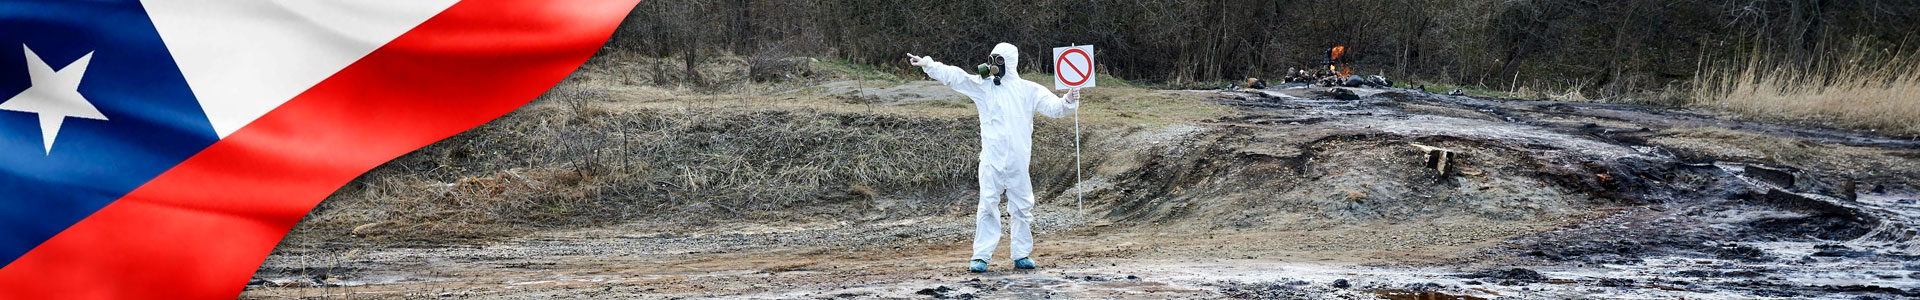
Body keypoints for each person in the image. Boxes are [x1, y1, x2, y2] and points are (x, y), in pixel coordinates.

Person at [907, 43, 1079, 273]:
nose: (991, 64)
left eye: (997, 60)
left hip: (1018, 160)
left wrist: (1068, 99)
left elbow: (1054, 108)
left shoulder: (1029, 90)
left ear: (1009, 63)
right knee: (988, 205)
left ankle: (1021, 254)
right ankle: (981, 256)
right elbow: (955, 76)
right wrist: (928, 64)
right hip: (991, 159)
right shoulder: (983, 86)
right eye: (991, 58)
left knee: (1022, 206)